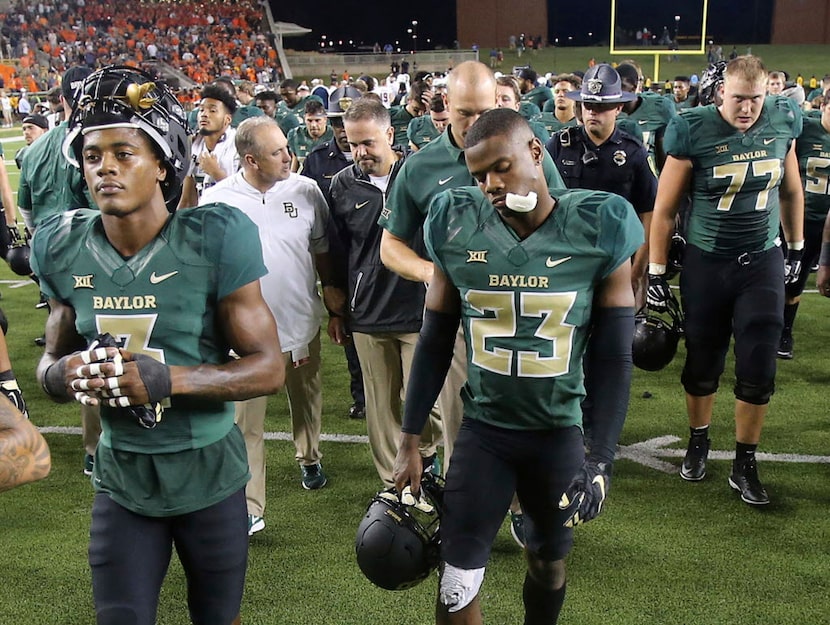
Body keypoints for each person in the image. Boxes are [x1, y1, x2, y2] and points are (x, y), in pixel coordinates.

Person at [31, 66, 283, 625]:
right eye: (93, 156)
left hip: (209, 475)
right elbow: (50, 362)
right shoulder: (63, 245)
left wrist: (169, 380)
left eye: (124, 153)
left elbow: (268, 370)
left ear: (164, 164)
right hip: (123, 480)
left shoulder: (214, 236)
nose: (106, 168)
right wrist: (64, 373)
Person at [393, 108, 641, 625]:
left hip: (555, 430)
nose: (490, 185)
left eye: (501, 167)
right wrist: (410, 437)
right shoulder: (454, 220)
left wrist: (600, 459)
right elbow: (436, 337)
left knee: (548, 563)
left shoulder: (600, 222)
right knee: (456, 579)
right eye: (479, 174)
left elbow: (614, 355)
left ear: (535, 152)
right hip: (486, 430)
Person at [380, 60, 564, 543]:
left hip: (526, 310)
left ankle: (524, 505)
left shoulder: (525, 148)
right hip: (463, 317)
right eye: (464, 113)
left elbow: (561, 217)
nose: (475, 122)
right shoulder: (421, 167)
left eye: (485, 110)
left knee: (532, 414)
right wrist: (433, 272)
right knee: (464, 424)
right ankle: (473, 511)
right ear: (445, 107)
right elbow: (390, 244)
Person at [647, 55, 804, 506]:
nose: (747, 108)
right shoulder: (693, 128)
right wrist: (658, 270)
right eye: (738, 98)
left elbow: (790, 189)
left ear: (767, 96)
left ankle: (744, 462)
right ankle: (698, 441)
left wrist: (795, 247)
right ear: (721, 93)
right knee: (703, 358)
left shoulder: (784, 120)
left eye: (756, 99)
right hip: (708, 261)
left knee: (759, 363)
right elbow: (665, 208)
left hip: (761, 259)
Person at [202, 116, 344, 535]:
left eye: (286, 146)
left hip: (301, 323)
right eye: (277, 151)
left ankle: (310, 456)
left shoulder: (305, 190)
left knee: (307, 402)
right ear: (250, 160)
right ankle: (250, 506)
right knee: (246, 422)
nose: (289, 156)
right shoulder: (217, 201)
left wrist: (333, 297)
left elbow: (321, 250)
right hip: (243, 336)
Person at [327, 97, 441, 486]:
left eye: (368, 143)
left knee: (429, 401)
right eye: (353, 143)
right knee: (381, 410)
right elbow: (338, 251)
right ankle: (395, 489)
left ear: (390, 135)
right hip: (368, 312)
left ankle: (428, 457)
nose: (360, 152)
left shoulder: (420, 174)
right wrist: (337, 308)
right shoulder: (342, 185)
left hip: (419, 308)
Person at [17, 64, 96, 472]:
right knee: (100, 346)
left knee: (67, 337)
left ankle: (89, 448)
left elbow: (27, 212)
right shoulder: (91, 144)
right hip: (90, 253)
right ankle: (96, 448)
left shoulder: (32, 151)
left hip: (49, 255)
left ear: (60, 98)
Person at [547, 64, 655, 304]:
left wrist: (638, 270)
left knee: (617, 334)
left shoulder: (634, 152)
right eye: (588, 105)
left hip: (616, 258)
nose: (593, 112)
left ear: (618, 107)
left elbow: (648, 212)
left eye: (601, 106)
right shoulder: (559, 145)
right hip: (566, 257)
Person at [779, 89, 830, 359]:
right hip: (799, 217)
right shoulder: (805, 128)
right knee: (783, 276)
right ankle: (776, 327)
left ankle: (784, 330)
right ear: (823, 106)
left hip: (823, 222)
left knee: (797, 281)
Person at [178, 83, 239, 208]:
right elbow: (188, 200)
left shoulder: (239, 144)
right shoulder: (193, 145)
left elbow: (245, 196)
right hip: (203, 218)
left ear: (227, 120)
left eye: (212, 110)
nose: (204, 114)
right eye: (201, 110)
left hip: (232, 219)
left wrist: (216, 173)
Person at [287, 99, 333, 172]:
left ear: (325, 119)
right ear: (304, 119)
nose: (313, 125)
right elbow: (295, 161)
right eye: (309, 120)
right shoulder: (296, 135)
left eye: (317, 120)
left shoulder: (333, 135)